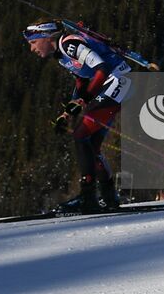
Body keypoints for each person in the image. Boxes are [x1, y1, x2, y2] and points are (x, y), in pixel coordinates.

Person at [24, 21, 133, 212]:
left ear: (46, 38)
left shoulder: (69, 45)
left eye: (33, 43)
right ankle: (109, 198)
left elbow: (101, 68)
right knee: (92, 145)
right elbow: (82, 79)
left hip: (119, 81)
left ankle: (88, 197)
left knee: (81, 135)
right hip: (115, 85)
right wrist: (67, 112)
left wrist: (83, 100)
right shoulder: (60, 55)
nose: (31, 49)